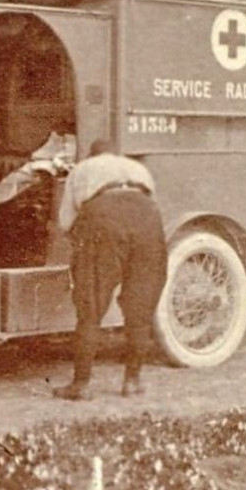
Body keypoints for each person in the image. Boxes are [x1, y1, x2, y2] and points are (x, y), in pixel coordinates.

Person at [52, 139, 168, 400]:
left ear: (92, 154)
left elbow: (66, 221)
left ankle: (80, 385)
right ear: (116, 154)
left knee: (90, 308)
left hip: (103, 218)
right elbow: (152, 203)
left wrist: (83, 245)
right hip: (147, 219)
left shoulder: (82, 169)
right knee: (140, 305)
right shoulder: (137, 169)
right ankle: (132, 382)